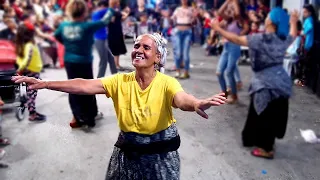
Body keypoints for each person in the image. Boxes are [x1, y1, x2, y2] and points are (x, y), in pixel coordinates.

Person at [12, 33, 227, 179]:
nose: (138, 50)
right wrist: (45, 83)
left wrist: (197, 103)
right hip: (128, 152)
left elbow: (181, 99)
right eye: (136, 46)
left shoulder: (166, 83)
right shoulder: (120, 81)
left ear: (158, 57)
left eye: (146, 47)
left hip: (161, 154)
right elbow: (83, 85)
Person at [211, 7, 298, 159]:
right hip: (282, 83)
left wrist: (218, 28)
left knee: (264, 115)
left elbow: (236, 39)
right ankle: (256, 140)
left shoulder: (260, 39)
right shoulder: (282, 39)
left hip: (264, 84)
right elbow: (292, 35)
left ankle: (266, 149)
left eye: (268, 16)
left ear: (271, 21)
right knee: (268, 114)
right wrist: (293, 22)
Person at [53, 0, 115, 128]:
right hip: (84, 62)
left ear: (69, 11)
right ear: (84, 12)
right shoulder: (87, 26)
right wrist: (112, 8)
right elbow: (105, 21)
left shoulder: (63, 26)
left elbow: (57, 36)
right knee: (88, 88)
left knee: (72, 87)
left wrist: (69, 45)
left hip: (70, 61)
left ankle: (77, 117)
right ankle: (90, 117)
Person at [15, 20, 46, 122]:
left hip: (30, 70)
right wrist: (21, 69)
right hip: (32, 71)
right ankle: (32, 114)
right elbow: (27, 59)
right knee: (32, 92)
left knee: (30, 91)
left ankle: (29, 108)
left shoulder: (22, 44)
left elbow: (20, 59)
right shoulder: (29, 45)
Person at [92, 0, 118, 78]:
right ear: (103, 6)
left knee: (111, 58)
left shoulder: (99, 14)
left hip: (102, 40)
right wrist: (111, 5)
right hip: (99, 40)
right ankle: (99, 79)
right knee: (103, 61)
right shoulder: (97, 13)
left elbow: (111, 16)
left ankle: (116, 77)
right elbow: (110, 11)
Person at [171, 0, 194, 79]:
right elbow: (173, 19)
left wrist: (194, 17)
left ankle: (186, 72)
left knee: (186, 54)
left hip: (187, 31)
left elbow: (194, 21)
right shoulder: (177, 9)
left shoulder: (191, 9)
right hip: (178, 31)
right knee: (178, 53)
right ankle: (178, 71)